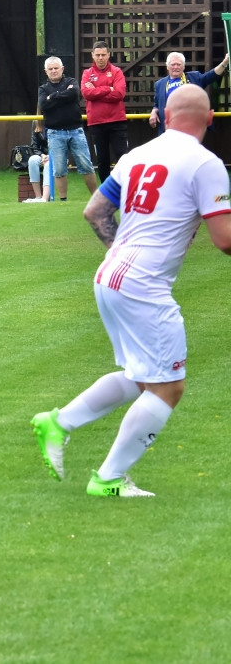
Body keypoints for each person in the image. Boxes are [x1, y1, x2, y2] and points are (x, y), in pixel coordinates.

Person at [30, 84, 231, 497]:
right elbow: (224, 239)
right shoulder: (206, 163)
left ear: (165, 115)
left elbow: (95, 211)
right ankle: (108, 479)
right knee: (168, 386)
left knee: (142, 376)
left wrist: (123, 254)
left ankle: (59, 422)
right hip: (143, 283)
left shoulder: (135, 155)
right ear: (210, 119)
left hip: (111, 274)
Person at [38, 56, 98, 201]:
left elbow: (74, 94)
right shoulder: (42, 88)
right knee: (59, 169)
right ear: (46, 71)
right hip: (54, 133)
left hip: (76, 130)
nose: (53, 71)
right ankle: (63, 201)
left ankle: (98, 199)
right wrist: (61, 95)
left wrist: (52, 97)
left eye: (56, 68)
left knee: (86, 165)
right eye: (50, 69)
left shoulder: (72, 82)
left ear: (62, 69)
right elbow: (44, 105)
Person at [80, 41, 128, 183]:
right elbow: (86, 94)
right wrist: (108, 88)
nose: (100, 58)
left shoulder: (116, 71)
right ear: (92, 55)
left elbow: (119, 94)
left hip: (117, 121)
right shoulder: (87, 73)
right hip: (96, 122)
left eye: (103, 55)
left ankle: (126, 187)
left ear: (108, 55)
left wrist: (96, 90)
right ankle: (106, 192)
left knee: (122, 156)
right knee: (102, 159)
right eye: (97, 55)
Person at [149, 51, 229, 134]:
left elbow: (211, 76)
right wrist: (154, 112)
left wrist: (224, 63)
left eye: (179, 64)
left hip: (189, 128)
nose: (176, 67)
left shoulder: (194, 77)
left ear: (183, 67)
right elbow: (156, 105)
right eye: (173, 64)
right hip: (168, 129)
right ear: (167, 66)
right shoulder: (159, 84)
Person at [23, 121, 50, 203]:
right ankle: (38, 197)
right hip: (42, 155)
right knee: (32, 160)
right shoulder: (36, 122)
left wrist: (50, 156)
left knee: (49, 165)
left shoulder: (56, 118)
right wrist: (42, 155)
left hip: (56, 155)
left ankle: (45, 198)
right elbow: (34, 146)